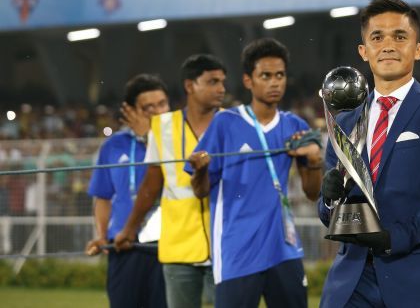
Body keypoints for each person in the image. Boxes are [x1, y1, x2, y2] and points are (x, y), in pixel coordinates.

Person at [318, 0, 420, 307]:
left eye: (400, 36)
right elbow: (329, 215)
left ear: (419, 49)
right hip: (352, 283)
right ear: (363, 51)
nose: (388, 45)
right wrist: (328, 198)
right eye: (377, 37)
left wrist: (393, 238)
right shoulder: (345, 121)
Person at [185, 38, 324, 308]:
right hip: (238, 252)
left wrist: (315, 160)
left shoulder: (294, 126)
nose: (275, 82)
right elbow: (201, 190)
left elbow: (312, 193)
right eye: (266, 76)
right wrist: (200, 171)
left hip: (282, 248)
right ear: (249, 81)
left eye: (280, 75)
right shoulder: (225, 123)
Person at [114, 55, 227, 308]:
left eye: (222, 82)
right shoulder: (163, 126)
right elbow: (151, 186)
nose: (221, 89)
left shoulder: (233, 122)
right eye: (212, 81)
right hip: (178, 246)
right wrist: (130, 228)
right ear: (190, 86)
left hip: (225, 244)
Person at [86, 74, 171, 308]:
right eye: (149, 107)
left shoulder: (179, 140)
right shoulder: (113, 145)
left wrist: (150, 138)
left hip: (166, 245)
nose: (158, 112)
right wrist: (102, 234)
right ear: (130, 111)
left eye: (162, 104)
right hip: (124, 246)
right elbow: (102, 197)